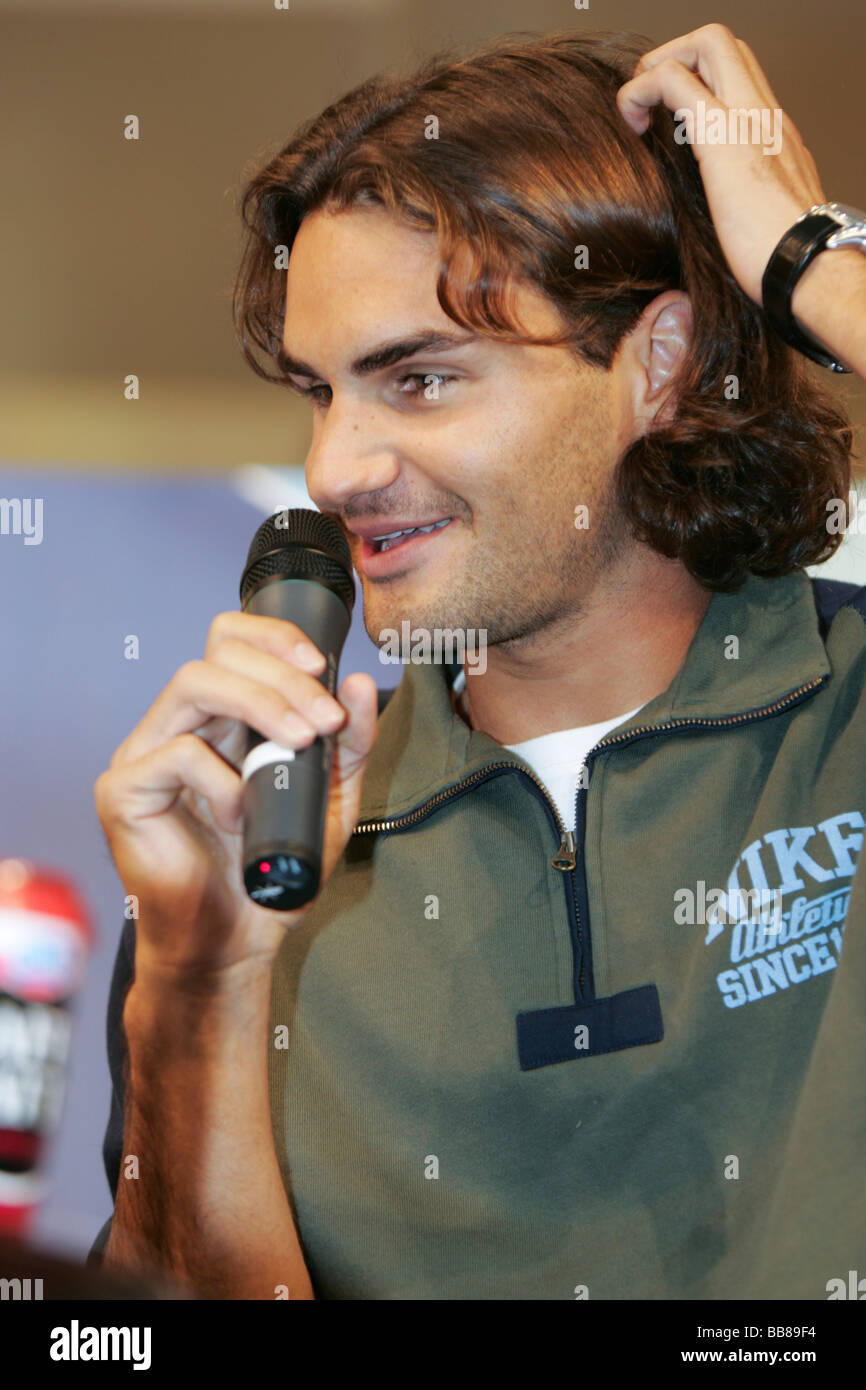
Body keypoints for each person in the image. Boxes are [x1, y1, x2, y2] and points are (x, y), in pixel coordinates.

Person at [88, 26, 866, 1299]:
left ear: (654, 366)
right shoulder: (260, 850)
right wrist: (195, 984)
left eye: (421, 380)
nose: (334, 469)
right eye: (320, 393)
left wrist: (805, 264)